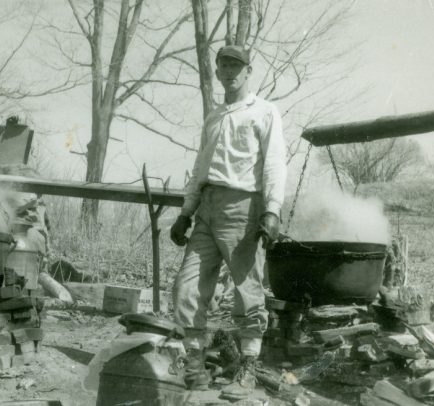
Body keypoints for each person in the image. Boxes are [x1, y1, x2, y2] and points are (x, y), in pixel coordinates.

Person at [170, 44, 287, 401]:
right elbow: (200, 169)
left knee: (247, 293)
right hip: (207, 208)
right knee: (187, 288)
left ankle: (247, 372)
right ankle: (194, 368)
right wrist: (186, 211)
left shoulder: (264, 112)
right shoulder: (214, 117)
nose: (230, 71)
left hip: (243, 208)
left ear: (248, 71)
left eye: (237, 66)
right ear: (217, 72)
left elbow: (274, 164)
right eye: (224, 65)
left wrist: (272, 210)